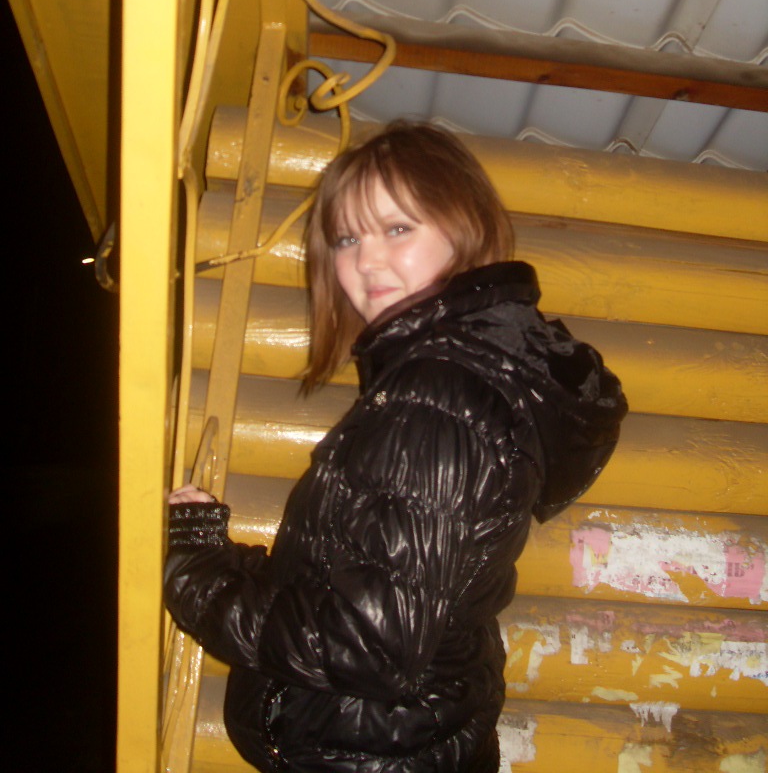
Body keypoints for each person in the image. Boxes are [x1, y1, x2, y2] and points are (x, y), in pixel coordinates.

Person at [165, 120, 627, 772]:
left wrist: (188, 567)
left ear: (466, 230)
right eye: (347, 238)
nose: (365, 260)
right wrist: (217, 553)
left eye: (397, 228)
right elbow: (354, 581)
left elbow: (364, 646)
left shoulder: (439, 399)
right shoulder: (461, 375)